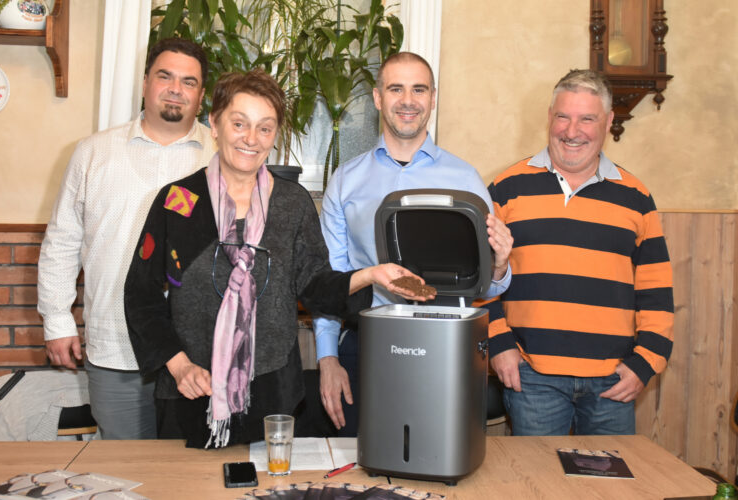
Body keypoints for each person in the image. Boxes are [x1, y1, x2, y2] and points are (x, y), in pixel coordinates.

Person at [123, 70, 434, 449]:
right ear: (214, 124)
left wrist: (371, 275)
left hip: (273, 399)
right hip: (189, 391)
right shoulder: (178, 201)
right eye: (239, 124)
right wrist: (178, 365)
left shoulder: (292, 203)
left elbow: (316, 286)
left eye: (265, 128)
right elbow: (141, 295)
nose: (251, 139)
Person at [315, 52, 514, 436]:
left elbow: (484, 286)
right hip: (365, 344)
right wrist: (327, 358)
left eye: (419, 89)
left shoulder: (466, 180)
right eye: (396, 89)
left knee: (437, 458)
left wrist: (501, 265)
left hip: (446, 346)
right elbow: (331, 279)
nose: (408, 101)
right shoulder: (345, 180)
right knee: (359, 461)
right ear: (378, 98)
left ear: (433, 98)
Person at [37, 38, 216, 439]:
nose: (176, 89)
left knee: (193, 469)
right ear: (145, 82)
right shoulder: (93, 153)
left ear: (201, 94)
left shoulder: (222, 158)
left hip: (199, 356)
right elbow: (62, 241)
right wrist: (57, 320)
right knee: (124, 466)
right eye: (165, 76)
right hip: (117, 349)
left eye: (188, 81)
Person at [488, 69, 674, 435]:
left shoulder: (636, 198)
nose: (572, 131)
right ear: (549, 117)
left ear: (608, 121)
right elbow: (482, 281)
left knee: (610, 475)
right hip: (532, 377)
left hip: (613, 380)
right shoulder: (505, 189)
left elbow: (656, 292)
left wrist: (645, 363)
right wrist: (499, 345)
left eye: (587, 119)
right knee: (536, 474)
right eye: (563, 117)